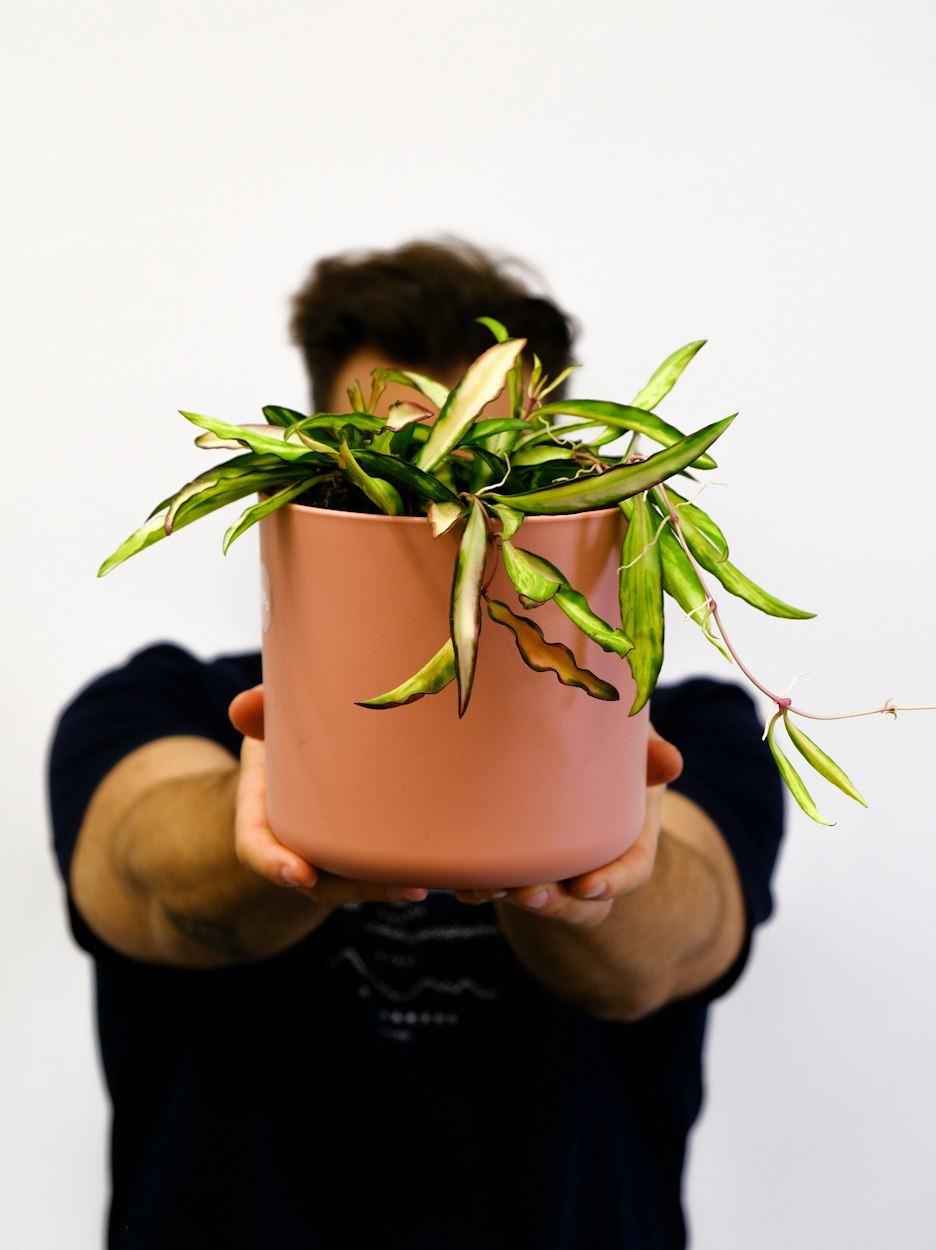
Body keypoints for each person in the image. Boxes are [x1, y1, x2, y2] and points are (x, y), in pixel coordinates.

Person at [49, 239, 784, 1250]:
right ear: (317, 469)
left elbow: (678, 942)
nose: (447, 512)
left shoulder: (683, 724)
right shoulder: (166, 699)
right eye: (395, 466)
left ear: (566, 473)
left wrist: (601, 841)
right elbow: (144, 876)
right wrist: (278, 812)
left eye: (491, 465)